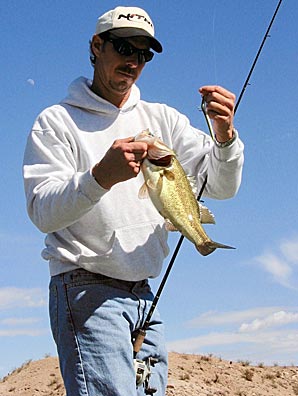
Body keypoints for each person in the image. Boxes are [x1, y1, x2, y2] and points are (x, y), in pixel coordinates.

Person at [23, 6, 244, 396]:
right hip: (84, 289)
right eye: (124, 47)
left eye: (143, 54)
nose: (133, 61)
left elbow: (220, 187)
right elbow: (43, 211)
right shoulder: (56, 121)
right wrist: (99, 177)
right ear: (96, 46)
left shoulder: (165, 120)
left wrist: (225, 140)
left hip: (145, 292)